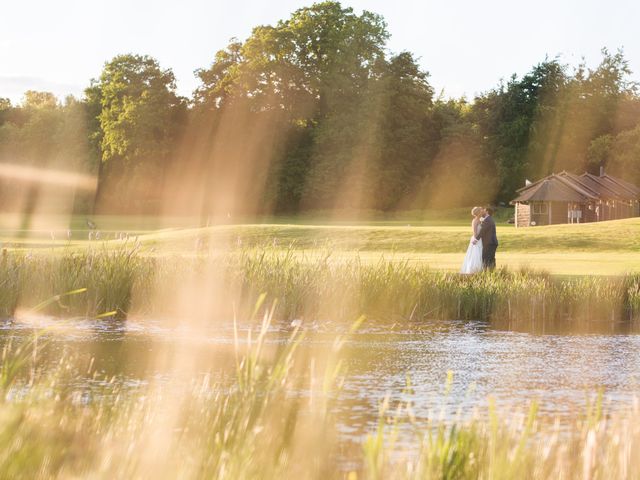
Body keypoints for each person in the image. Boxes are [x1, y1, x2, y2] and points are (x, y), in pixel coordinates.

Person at [460, 206, 484, 274]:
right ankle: (474, 269)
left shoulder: (481, 220)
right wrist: (476, 239)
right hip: (476, 239)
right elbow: (475, 232)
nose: (482, 212)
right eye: (480, 211)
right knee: (476, 253)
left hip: (480, 239)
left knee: (480, 253)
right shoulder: (475, 221)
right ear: (478, 213)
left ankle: (481, 269)